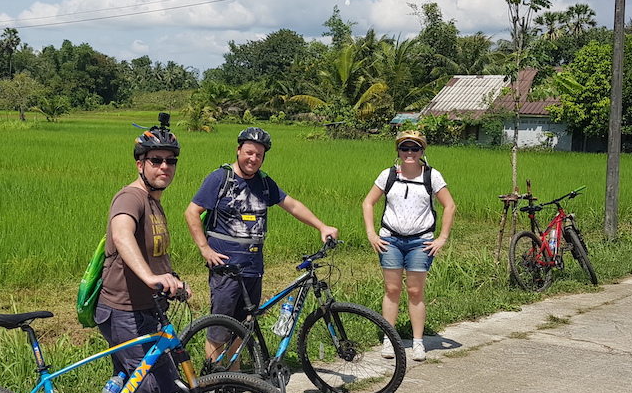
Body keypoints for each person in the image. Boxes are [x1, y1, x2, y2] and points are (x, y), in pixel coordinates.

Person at [95, 114, 196, 393]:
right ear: (141, 163)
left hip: (138, 310)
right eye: (156, 160)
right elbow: (122, 236)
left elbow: (157, 256)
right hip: (124, 311)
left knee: (126, 383)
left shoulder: (154, 203)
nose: (164, 168)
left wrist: (173, 280)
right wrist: (152, 280)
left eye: (170, 161)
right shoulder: (131, 197)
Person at [184, 127, 338, 348]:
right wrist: (204, 248)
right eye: (249, 152)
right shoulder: (220, 178)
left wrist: (322, 226)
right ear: (238, 151)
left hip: (253, 268)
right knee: (219, 329)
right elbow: (192, 212)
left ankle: (235, 379)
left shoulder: (264, 183)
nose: (253, 159)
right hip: (225, 267)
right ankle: (214, 380)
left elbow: (292, 205)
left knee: (243, 327)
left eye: (258, 155)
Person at [361, 131, 456, 362]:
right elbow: (368, 202)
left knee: (415, 292)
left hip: (420, 242)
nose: (410, 153)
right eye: (405, 148)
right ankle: (389, 339)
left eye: (415, 148)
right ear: (398, 152)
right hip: (390, 239)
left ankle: (417, 342)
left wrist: (442, 238)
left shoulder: (431, 176)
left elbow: (450, 205)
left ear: (423, 152)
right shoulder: (388, 175)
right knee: (392, 290)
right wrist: (371, 233)